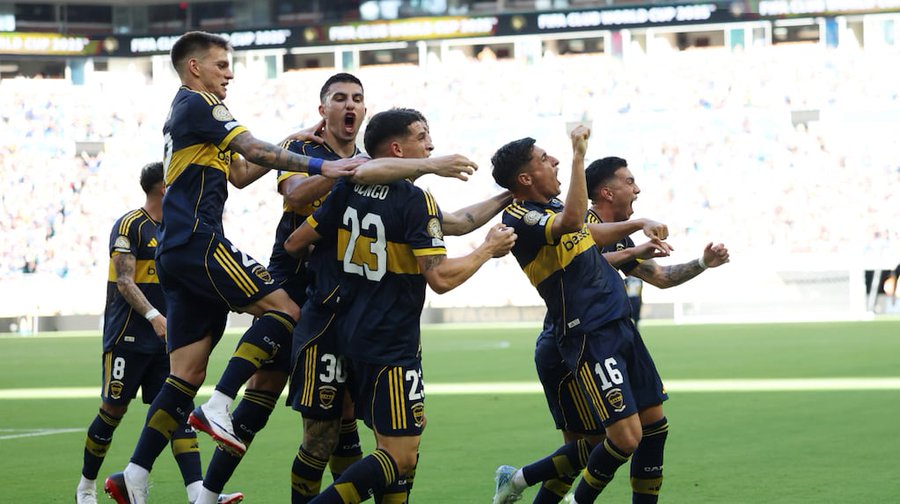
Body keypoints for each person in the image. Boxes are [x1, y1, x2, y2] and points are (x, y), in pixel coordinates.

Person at [103, 31, 363, 504]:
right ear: (194, 67)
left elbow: (241, 174)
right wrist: (322, 166)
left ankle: (134, 475)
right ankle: (220, 403)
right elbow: (255, 151)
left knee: (185, 374)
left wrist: (290, 140)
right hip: (199, 242)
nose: (229, 73)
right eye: (221, 64)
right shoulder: (200, 103)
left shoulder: (186, 117)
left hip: (175, 253)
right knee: (285, 309)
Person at [285, 108, 517, 504]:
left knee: (373, 444)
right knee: (401, 455)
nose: (431, 145)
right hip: (391, 340)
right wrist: (486, 250)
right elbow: (440, 278)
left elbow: (295, 243)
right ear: (397, 148)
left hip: (348, 332)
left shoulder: (347, 188)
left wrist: (507, 197)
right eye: (422, 137)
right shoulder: (414, 200)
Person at [519, 156, 730, 504]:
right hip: (569, 344)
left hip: (612, 333)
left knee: (652, 429)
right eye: (630, 182)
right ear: (607, 192)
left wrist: (703, 263)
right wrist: (636, 241)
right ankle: (518, 481)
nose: (637, 189)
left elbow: (661, 277)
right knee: (593, 446)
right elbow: (581, 262)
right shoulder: (578, 223)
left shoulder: (618, 235)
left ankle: (520, 481)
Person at [489, 129, 673, 504]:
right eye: (544, 159)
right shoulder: (520, 216)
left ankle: (519, 480)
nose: (554, 161)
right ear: (525, 178)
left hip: (618, 325)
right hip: (585, 332)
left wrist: (637, 232)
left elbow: (587, 235)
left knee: (651, 428)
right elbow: (573, 225)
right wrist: (577, 155)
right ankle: (538, 487)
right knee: (618, 439)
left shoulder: (557, 207)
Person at [73, 162, 242, 504]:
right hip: (128, 336)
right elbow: (124, 280)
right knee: (112, 411)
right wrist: (153, 316)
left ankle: (197, 492)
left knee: (179, 409)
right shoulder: (130, 225)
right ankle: (86, 487)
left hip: (168, 338)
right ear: (165, 187)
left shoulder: (178, 228)